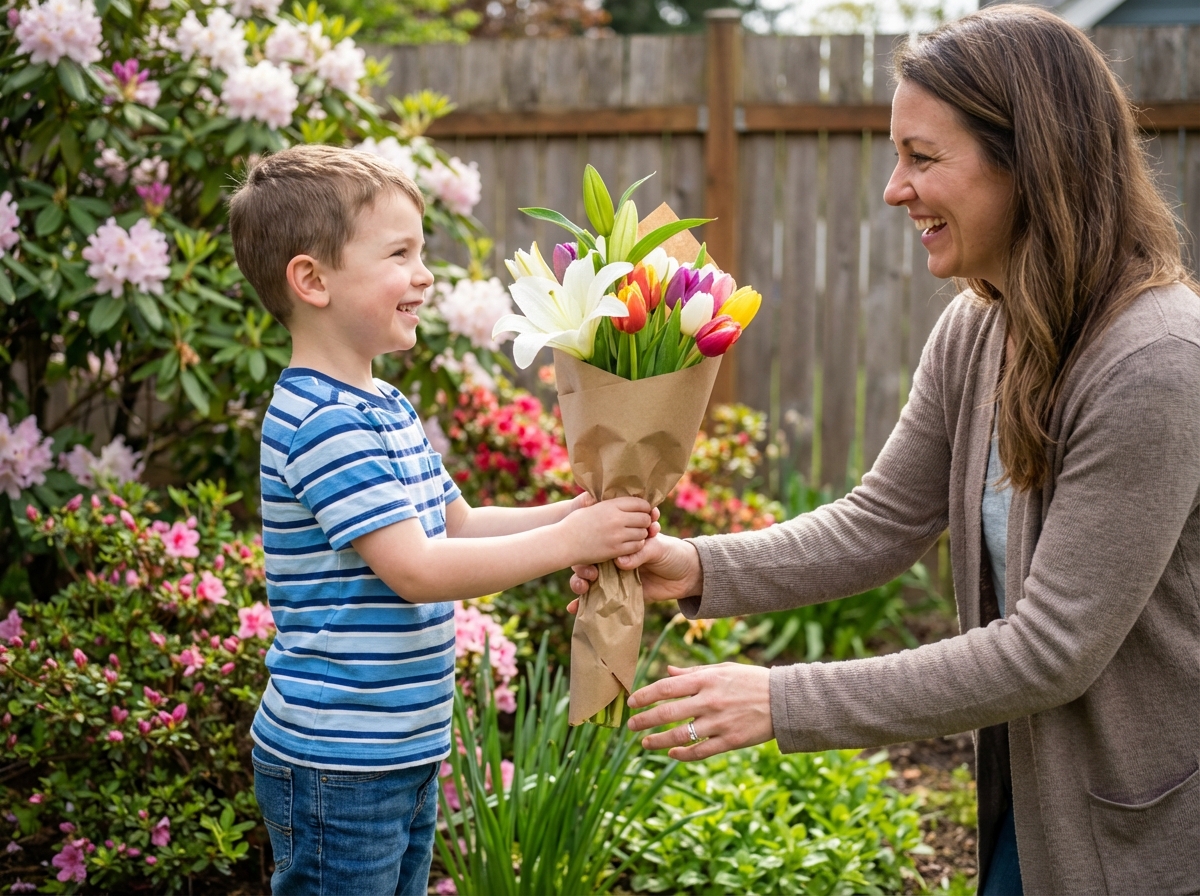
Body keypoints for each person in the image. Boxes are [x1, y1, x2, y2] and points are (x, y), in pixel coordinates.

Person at [570, 7, 1200, 894]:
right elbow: (880, 521)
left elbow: (1053, 648)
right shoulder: (981, 327)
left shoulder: (1156, 362)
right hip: (1032, 794)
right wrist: (698, 566)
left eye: (922, 157)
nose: (893, 188)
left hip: (1141, 830)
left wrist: (781, 700)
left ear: (1031, 160)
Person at [228, 144, 655, 896]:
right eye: (400, 253)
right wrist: (570, 543)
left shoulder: (383, 405)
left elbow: (454, 525)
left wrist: (577, 512)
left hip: (399, 748)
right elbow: (417, 570)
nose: (425, 275)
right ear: (312, 279)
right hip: (339, 760)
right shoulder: (321, 420)